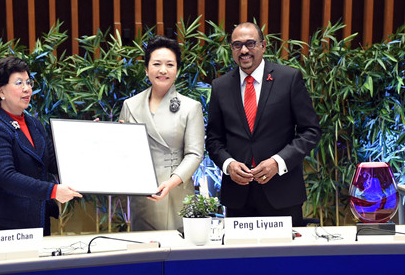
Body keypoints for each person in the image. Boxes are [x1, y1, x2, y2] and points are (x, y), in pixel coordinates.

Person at [206, 22, 321, 226]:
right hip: (238, 197)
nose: (244, 50)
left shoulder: (288, 78)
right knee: (239, 248)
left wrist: (278, 162)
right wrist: (228, 165)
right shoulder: (220, 86)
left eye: (250, 43)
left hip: (282, 193)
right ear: (231, 49)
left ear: (263, 45)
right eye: (237, 45)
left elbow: (310, 131)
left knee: (284, 249)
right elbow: (214, 140)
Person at [0, 56, 82, 234]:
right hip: (7, 225)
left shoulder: (34, 124)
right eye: (19, 83)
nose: (27, 89)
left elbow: (54, 163)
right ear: (1, 91)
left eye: (28, 82)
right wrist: (52, 190)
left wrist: (85, 143)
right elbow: (7, 177)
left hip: (38, 219)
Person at [119, 36, 205, 231]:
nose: (163, 70)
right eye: (156, 64)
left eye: (170, 65)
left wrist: (172, 182)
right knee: (144, 246)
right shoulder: (130, 105)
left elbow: (194, 154)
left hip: (176, 190)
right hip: (143, 193)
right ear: (146, 69)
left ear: (177, 70)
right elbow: (123, 153)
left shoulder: (190, 107)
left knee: (176, 246)